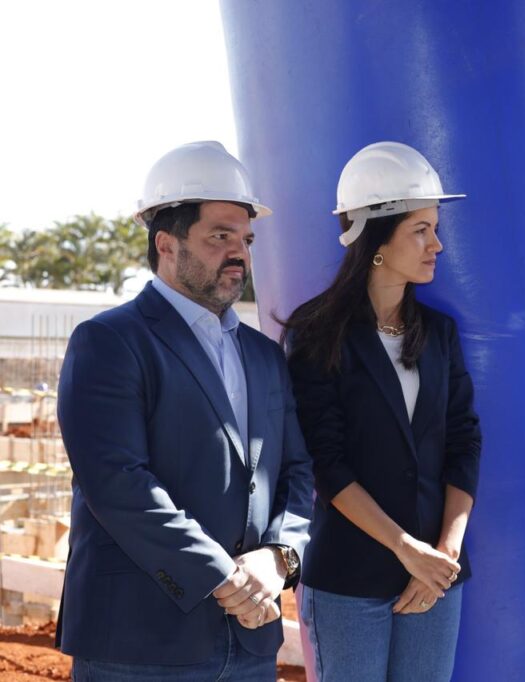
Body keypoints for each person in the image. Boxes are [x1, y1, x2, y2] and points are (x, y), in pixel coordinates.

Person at [56, 141, 314, 680]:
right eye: (220, 236)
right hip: (139, 645)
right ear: (166, 244)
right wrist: (227, 577)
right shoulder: (109, 342)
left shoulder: (265, 355)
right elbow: (118, 484)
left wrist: (280, 557)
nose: (240, 253)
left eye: (246, 239)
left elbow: (297, 472)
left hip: (249, 644)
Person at [283, 141, 482, 682]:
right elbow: (326, 462)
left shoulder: (439, 333)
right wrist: (406, 549)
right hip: (349, 578)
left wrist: (443, 554)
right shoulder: (317, 334)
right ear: (377, 239)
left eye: (434, 228)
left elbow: (464, 441)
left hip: (436, 575)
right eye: (421, 230)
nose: (437, 244)